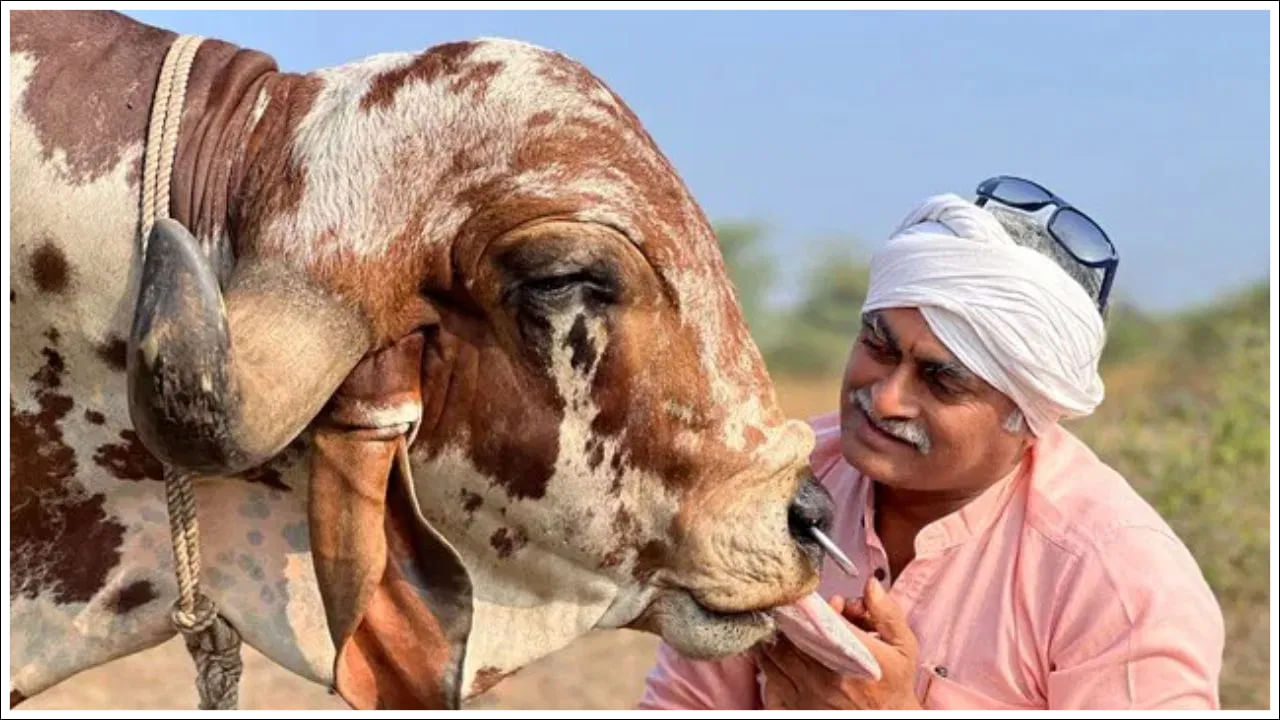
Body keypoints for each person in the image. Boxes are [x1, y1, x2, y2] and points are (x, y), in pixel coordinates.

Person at [638, 177, 1225, 710]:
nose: (886, 397)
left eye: (942, 380)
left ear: (1028, 414)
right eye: (879, 346)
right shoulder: (778, 486)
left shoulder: (1115, 578)